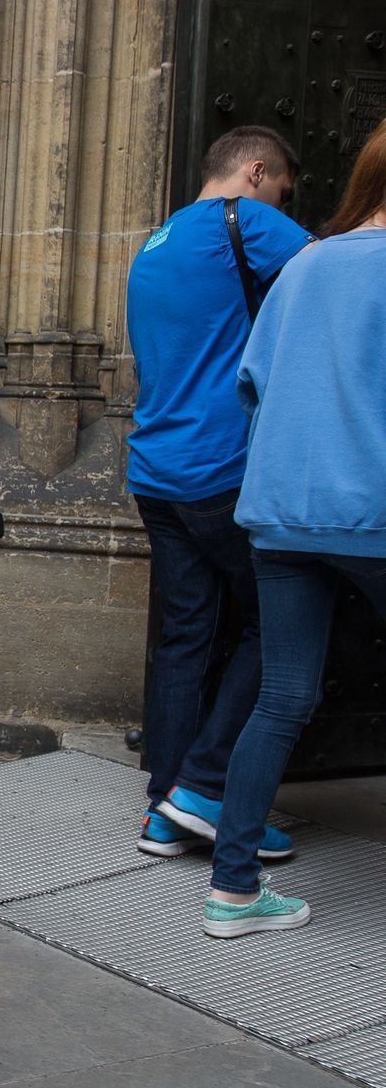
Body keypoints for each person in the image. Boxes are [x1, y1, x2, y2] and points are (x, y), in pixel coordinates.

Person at [194, 120, 386, 939]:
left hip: (279, 512)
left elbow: (253, 382)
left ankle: (233, 891)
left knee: (280, 700)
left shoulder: (305, 263)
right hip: (372, 511)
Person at [126, 126, 309, 863]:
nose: (283, 206)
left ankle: (165, 808)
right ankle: (202, 791)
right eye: (283, 192)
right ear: (256, 172)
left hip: (155, 471)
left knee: (186, 636)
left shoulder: (157, 239)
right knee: (283, 626)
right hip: (219, 468)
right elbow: (337, 277)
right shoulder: (249, 221)